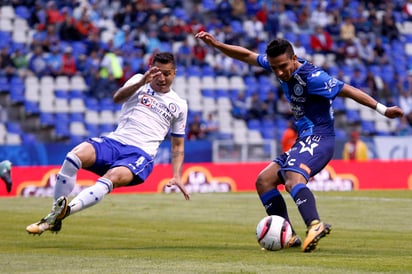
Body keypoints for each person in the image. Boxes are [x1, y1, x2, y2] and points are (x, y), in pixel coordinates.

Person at [195, 31, 404, 252]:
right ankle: (290, 236)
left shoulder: (313, 77)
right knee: (263, 181)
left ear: (294, 58)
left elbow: (348, 90)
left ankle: (314, 224)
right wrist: (217, 44)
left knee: (293, 179)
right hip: (304, 139)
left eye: (283, 66)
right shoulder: (279, 65)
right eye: (275, 67)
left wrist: (384, 109)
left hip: (320, 137)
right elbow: (247, 55)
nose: (279, 72)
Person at [26, 52, 190, 235]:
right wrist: (141, 82)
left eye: (167, 74)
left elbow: (177, 145)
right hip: (115, 141)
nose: (162, 78)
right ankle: (54, 214)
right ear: (151, 70)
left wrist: (177, 175)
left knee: (110, 178)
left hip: (140, 154)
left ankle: (62, 214)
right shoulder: (138, 81)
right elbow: (117, 98)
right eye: (157, 73)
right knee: (74, 156)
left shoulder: (179, 105)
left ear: (174, 73)